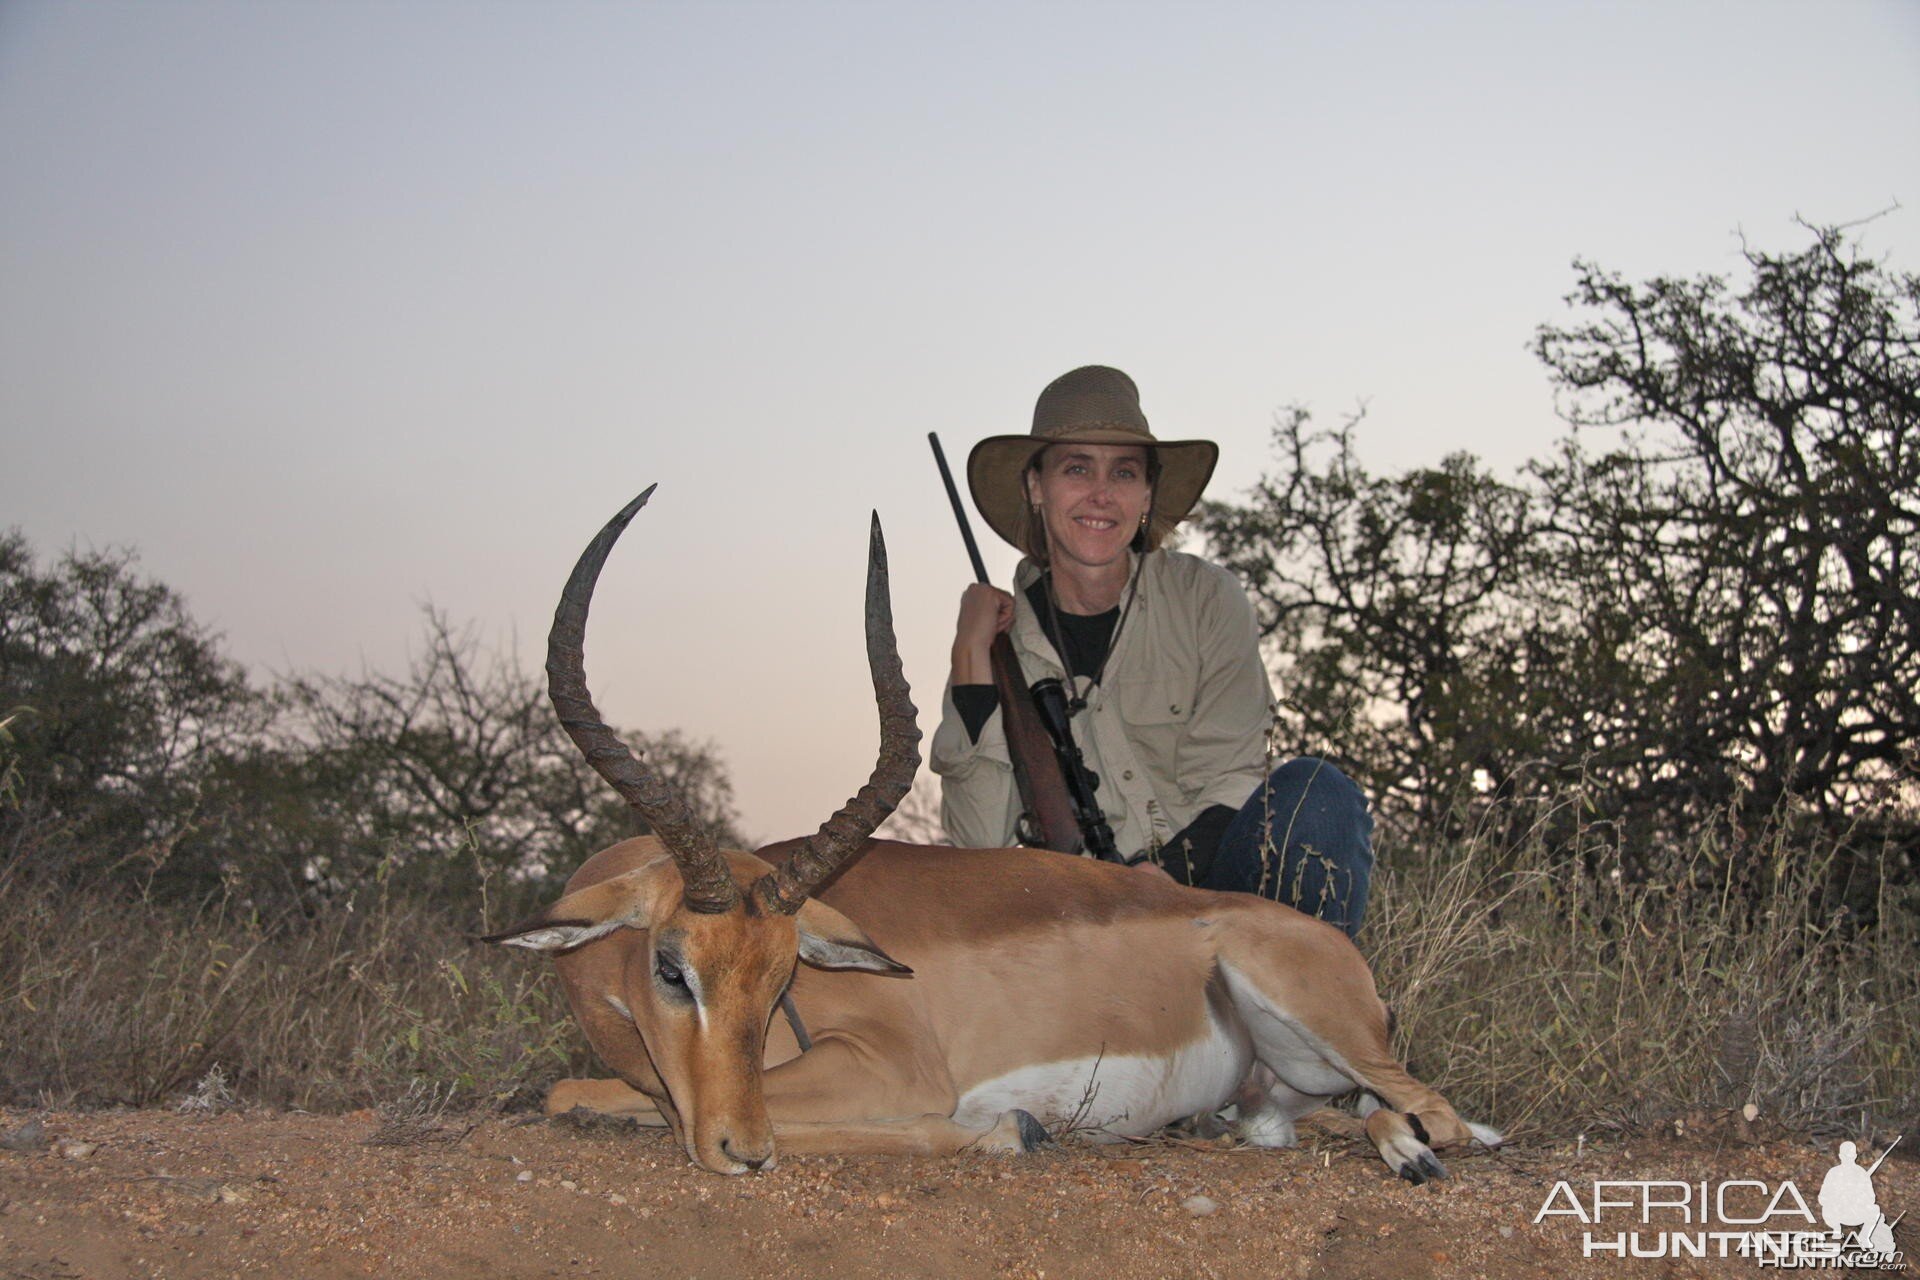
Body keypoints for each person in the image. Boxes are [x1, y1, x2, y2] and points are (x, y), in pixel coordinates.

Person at [930, 365, 1375, 936]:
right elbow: (977, 846)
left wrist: (1156, 887)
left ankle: (1311, 1009)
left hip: (1213, 898)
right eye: (1076, 468)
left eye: (1124, 472)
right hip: (1085, 930)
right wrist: (970, 659)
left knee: (1320, 793)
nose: (1101, 493)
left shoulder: (1207, 598)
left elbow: (1230, 775)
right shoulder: (996, 647)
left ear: (1147, 493)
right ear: (1035, 486)